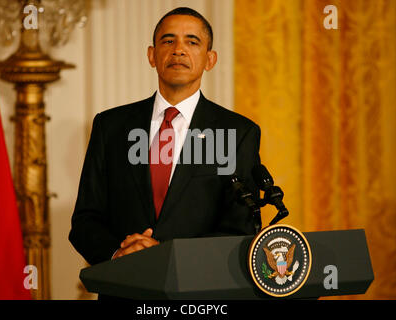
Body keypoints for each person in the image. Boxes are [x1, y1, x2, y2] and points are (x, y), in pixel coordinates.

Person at [69, 7, 261, 266]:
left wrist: (167, 254)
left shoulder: (238, 132)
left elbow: (240, 228)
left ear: (210, 59)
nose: (178, 50)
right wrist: (118, 253)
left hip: (198, 294)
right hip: (125, 286)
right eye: (168, 41)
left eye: (192, 42)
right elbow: (85, 220)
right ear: (152, 55)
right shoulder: (110, 126)